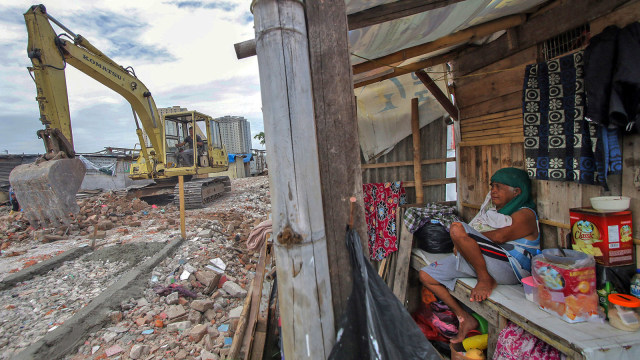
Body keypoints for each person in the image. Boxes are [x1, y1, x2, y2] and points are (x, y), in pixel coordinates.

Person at [419, 167, 539, 342]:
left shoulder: (526, 214)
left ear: (517, 192)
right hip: (488, 262)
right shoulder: (495, 213)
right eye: (492, 186)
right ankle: (464, 318)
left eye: (499, 187)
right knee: (426, 275)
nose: (493, 191)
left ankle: (484, 280)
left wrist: (463, 240)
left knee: (457, 229)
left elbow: (500, 237)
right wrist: (463, 243)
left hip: (512, 269)